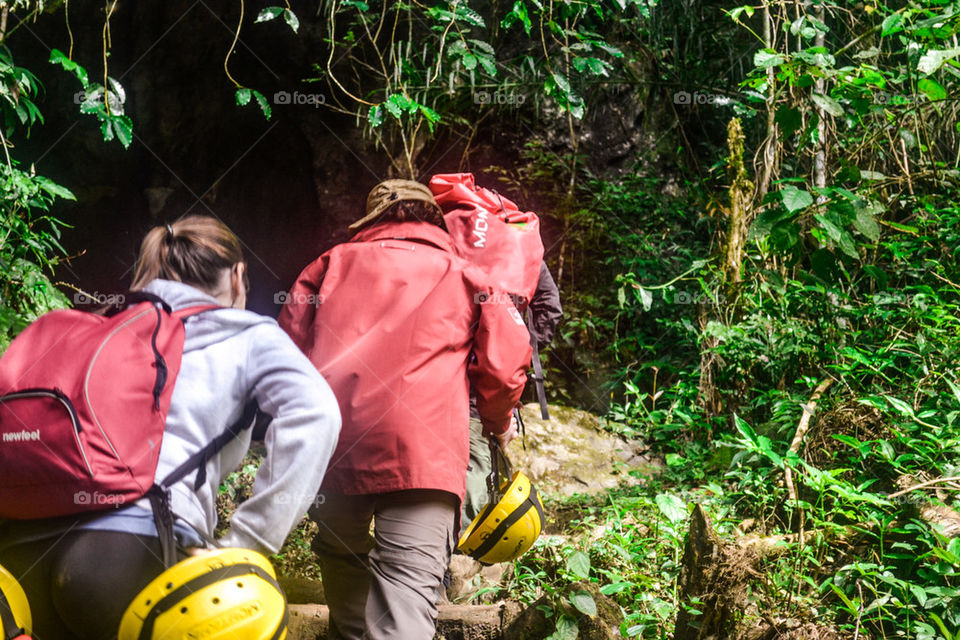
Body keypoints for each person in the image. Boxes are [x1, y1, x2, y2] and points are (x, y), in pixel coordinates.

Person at [0, 215, 342, 640]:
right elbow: (317, 411)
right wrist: (248, 545)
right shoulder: (247, 332)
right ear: (238, 276)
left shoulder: (103, 326)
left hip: (19, 562)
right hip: (129, 553)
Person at [278, 179, 532, 640]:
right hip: (424, 456)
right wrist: (496, 424)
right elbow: (506, 361)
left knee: (341, 556)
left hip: (334, 448)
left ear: (371, 220)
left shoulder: (327, 265)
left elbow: (284, 356)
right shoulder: (468, 274)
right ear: (434, 220)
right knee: (407, 590)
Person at [462, 260, 562, 532]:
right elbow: (550, 307)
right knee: (482, 468)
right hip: (493, 383)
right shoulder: (520, 247)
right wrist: (518, 350)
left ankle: (461, 558)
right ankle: (468, 559)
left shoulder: (450, 237)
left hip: (443, 382)